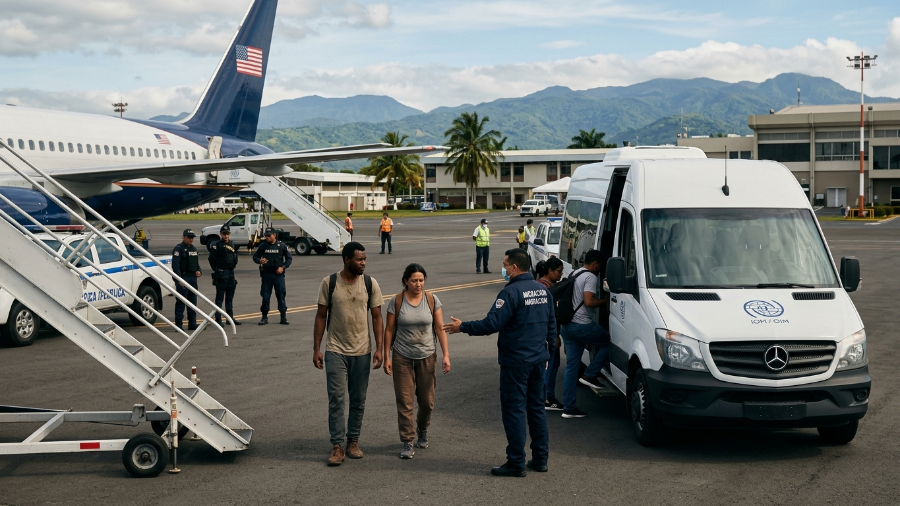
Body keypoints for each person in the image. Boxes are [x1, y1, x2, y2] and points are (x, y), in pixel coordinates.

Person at [444, 248, 555, 477]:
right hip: (537, 360)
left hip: (516, 361)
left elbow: (491, 324)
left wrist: (462, 326)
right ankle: (540, 458)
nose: (503, 268)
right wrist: (548, 354)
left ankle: (516, 462)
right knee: (536, 409)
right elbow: (552, 326)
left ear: (515, 267)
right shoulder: (543, 290)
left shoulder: (511, 293)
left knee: (514, 410)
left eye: (505, 265)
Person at [313, 242, 384, 467]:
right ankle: (337, 445)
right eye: (359, 259)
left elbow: (377, 317)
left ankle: (353, 441)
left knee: (358, 400)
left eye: (364, 259)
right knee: (336, 399)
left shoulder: (371, 284)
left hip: (362, 351)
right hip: (335, 349)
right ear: (346, 259)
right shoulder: (329, 283)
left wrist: (380, 348)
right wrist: (316, 348)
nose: (363, 263)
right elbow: (321, 316)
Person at [383, 263, 451, 459]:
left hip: (427, 355)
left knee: (427, 401)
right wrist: (386, 355)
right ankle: (407, 440)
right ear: (406, 281)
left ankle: (422, 429)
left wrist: (446, 354)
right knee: (405, 401)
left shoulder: (431, 299)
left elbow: (439, 328)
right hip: (402, 356)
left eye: (421, 280)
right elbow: (389, 330)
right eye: (414, 280)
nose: (418, 284)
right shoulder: (396, 301)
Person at [559, 249, 611, 419]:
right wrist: (607, 301)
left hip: (567, 325)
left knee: (571, 369)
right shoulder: (590, 276)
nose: (599, 268)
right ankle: (590, 374)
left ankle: (569, 408)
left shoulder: (575, 272)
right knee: (608, 342)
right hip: (581, 326)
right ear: (595, 263)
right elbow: (589, 301)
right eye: (600, 265)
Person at [536, 258, 565, 411]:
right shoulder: (543, 288)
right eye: (559, 271)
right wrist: (553, 336)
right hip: (548, 334)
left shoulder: (552, 286)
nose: (561, 274)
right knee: (550, 365)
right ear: (550, 271)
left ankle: (547, 395)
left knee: (554, 365)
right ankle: (547, 398)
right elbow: (546, 315)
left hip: (553, 331)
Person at [252, 227, 292, 325]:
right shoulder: (263, 246)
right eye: (266, 235)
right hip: (266, 275)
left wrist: (283, 267)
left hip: (278, 275)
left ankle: (283, 317)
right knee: (265, 296)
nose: (267, 237)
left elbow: (289, 259)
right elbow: (255, 256)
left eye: (269, 235)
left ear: (274, 235)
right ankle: (264, 317)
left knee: (281, 295)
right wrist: (259, 261)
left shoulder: (281, 246)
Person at [208, 225, 241, 326]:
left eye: (228, 234)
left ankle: (229, 318)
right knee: (220, 298)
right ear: (221, 234)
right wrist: (217, 270)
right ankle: (218, 319)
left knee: (230, 297)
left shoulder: (232, 244)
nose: (226, 236)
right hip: (222, 273)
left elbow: (234, 258)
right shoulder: (216, 245)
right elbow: (211, 259)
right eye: (224, 234)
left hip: (231, 273)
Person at [171, 229, 201, 330]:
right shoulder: (178, 249)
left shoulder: (194, 249)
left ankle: (192, 323)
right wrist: (179, 280)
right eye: (189, 237)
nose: (191, 239)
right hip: (183, 277)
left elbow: (197, 264)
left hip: (193, 278)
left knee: (193, 302)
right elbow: (175, 266)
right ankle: (179, 324)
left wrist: (199, 271)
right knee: (181, 302)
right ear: (183, 237)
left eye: (192, 237)